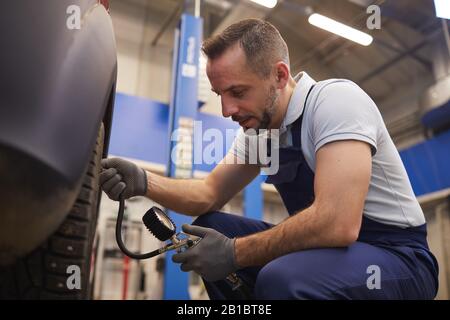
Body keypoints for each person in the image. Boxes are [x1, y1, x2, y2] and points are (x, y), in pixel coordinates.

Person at [100, 19, 438, 299]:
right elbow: (208, 193)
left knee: (284, 279)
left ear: (278, 75)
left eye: (238, 92)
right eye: (220, 95)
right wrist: (144, 181)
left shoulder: (336, 102)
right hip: (332, 252)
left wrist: (234, 254)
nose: (226, 110)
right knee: (211, 228)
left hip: (398, 259)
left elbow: (337, 222)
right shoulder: (259, 134)